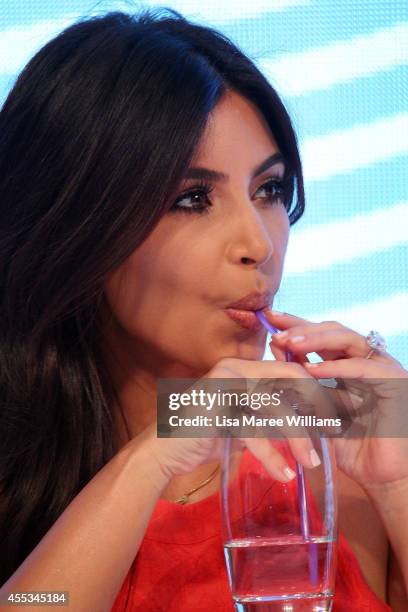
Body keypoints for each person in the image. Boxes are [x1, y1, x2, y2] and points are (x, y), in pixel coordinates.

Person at [0, 7, 407, 611]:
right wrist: (153, 456)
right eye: (193, 199)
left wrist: (399, 484)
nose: (258, 245)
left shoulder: (329, 469)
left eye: (268, 190)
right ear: (76, 227)